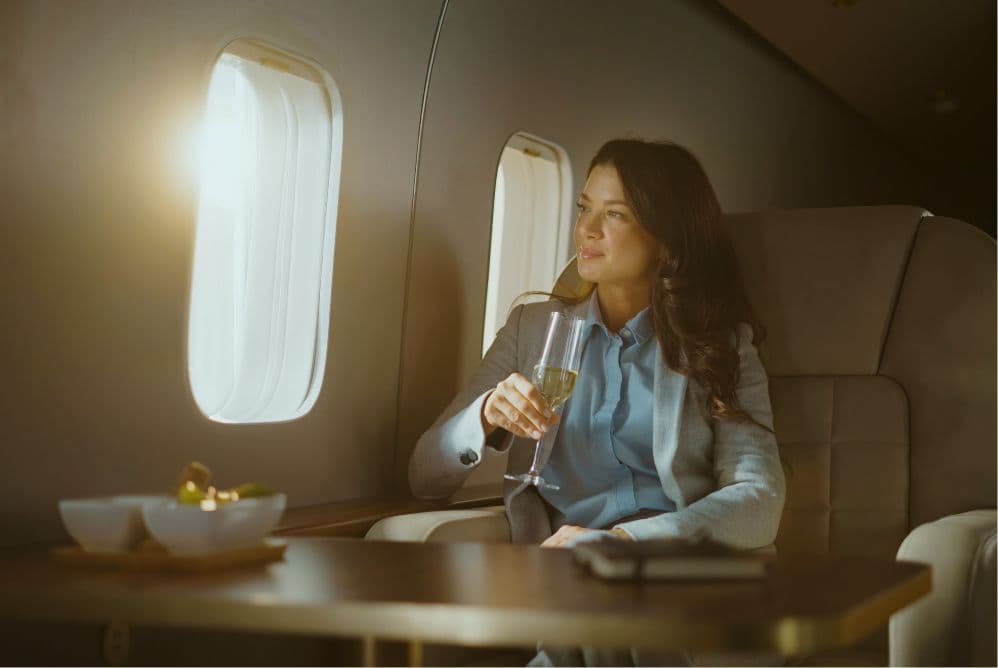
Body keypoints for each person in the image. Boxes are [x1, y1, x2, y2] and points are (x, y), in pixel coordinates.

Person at [408, 138, 786, 666]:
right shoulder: (531, 330)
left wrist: (629, 540)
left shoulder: (719, 345)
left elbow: (760, 496)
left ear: (665, 238)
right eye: (585, 208)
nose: (586, 229)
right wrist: (485, 414)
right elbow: (424, 476)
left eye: (615, 214)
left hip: (674, 580)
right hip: (567, 585)